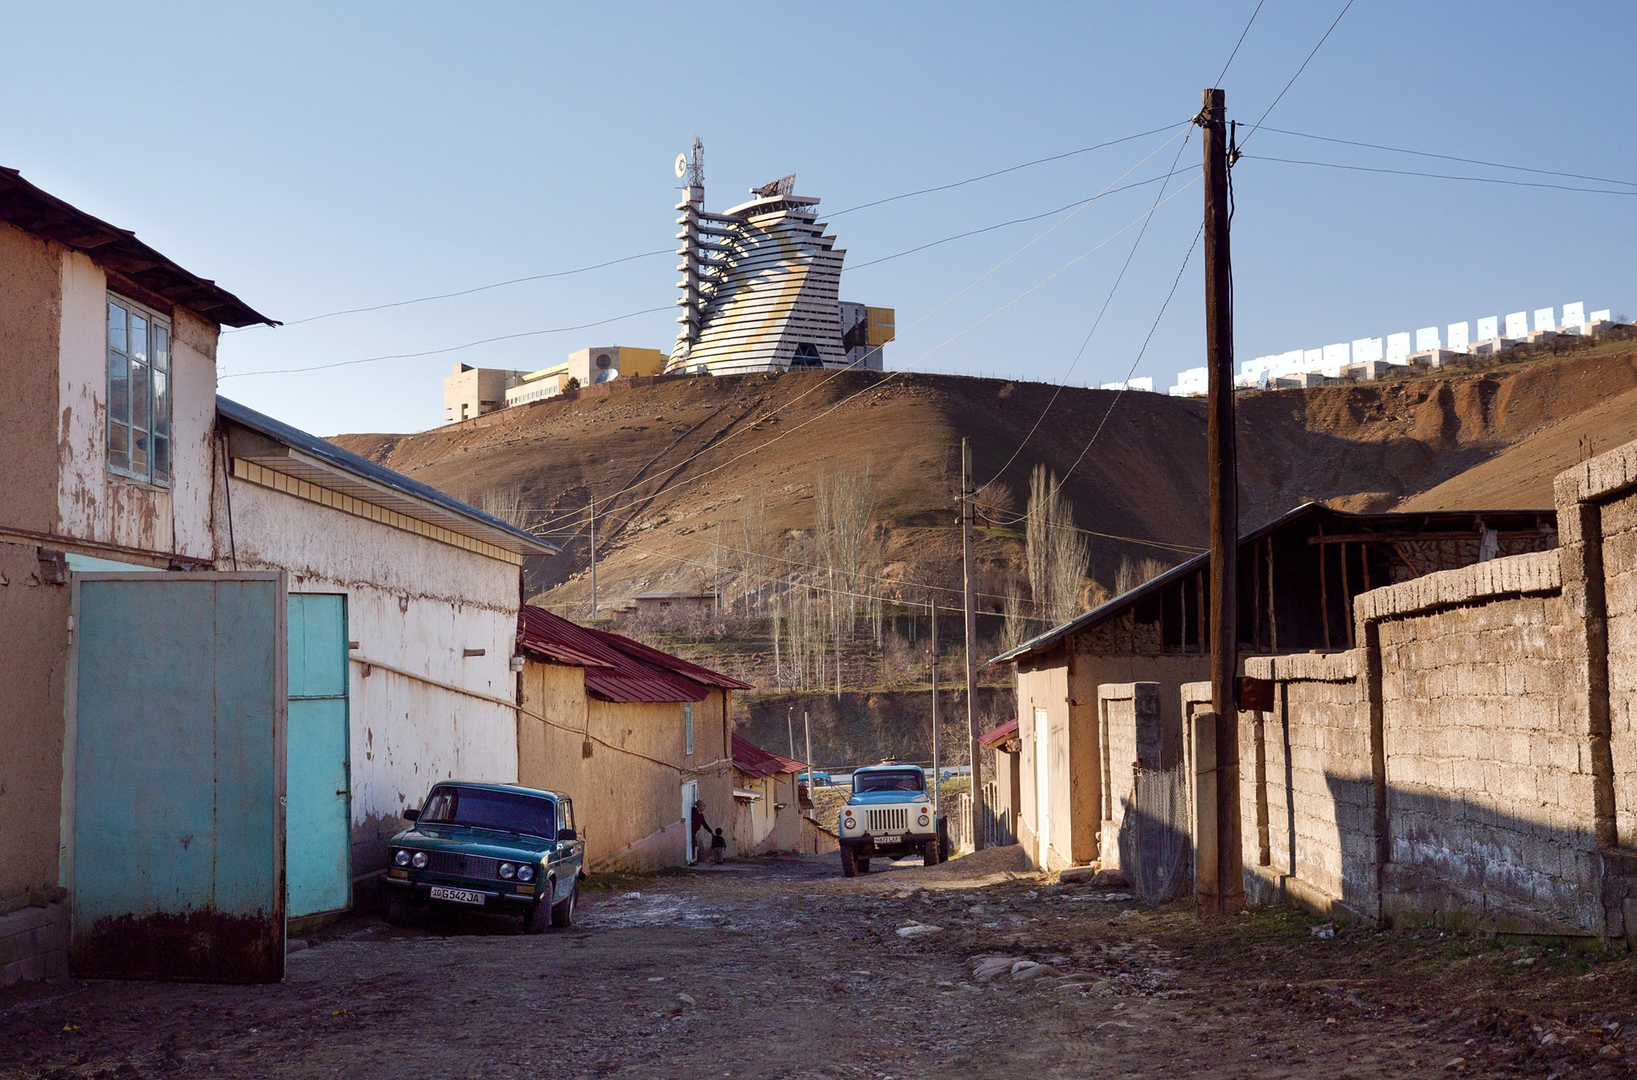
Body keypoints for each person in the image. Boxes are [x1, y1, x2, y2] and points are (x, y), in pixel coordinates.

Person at [690, 799, 710, 864]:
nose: (704, 808)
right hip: (690, 831)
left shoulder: (701, 815)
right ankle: (691, 859)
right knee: (693, 844)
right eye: (703, 806)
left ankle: (692, 859)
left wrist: (711, 832)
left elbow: (704, 824)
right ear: (700, 805)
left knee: (694, 844)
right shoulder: (693, 811)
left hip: (694, 831)